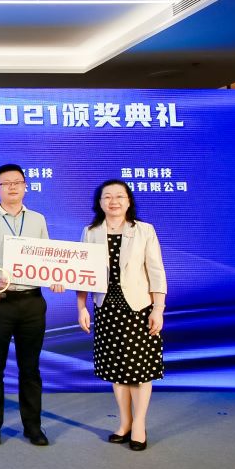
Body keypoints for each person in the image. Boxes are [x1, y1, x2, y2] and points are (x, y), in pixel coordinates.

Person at [0, 163, 62, 447]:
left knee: (30, 368)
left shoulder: (37, 219)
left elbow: (47, 257)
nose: (12, 187)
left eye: (17, 182)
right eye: (5, 183)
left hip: (32, 301)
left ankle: (33, 427)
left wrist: (57, 277)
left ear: (25, 187)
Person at [76, 179, 166, 451]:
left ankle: (139, 425)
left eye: (119, 196)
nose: (113, 201)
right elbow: (81, 273)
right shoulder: (91, 232)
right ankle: (125, 423)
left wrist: (158, 309)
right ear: (99, 202)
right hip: (106, 310)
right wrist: (81, 307)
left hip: (138, 309)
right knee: (117, 372)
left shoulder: (144, 230)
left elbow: (156, 272)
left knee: (139, 372)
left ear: (128, 201)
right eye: (107, 197)